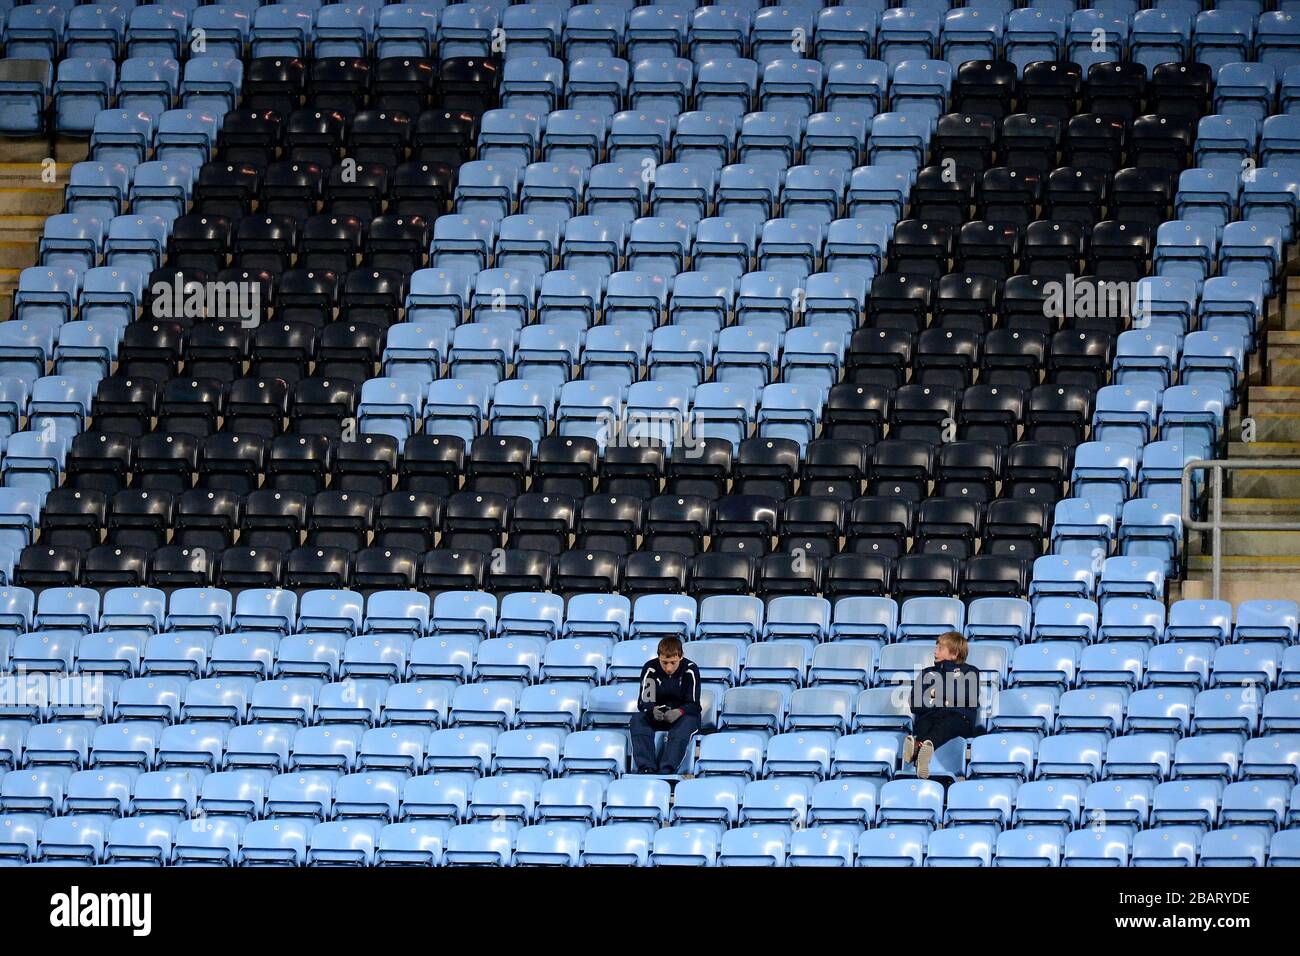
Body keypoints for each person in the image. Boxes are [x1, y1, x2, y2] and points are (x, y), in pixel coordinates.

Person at [903, 630, 981, 780]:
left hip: (959, 719)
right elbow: (914, 703)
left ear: (954, 653)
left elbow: (968, 698)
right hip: (931, 717)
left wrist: (933, 694)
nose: (935, 651)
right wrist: (947, 701)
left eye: (940, 648)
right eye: (935, 647)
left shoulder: (970, 672)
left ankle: (919, 747)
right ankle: (923, 752)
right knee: (925, 721)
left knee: (948, 720)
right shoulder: (926, 672)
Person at [630, 636, 703, 774]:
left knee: (687, 722)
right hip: (658, 716)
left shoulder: (690, 670)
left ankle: (667, 770)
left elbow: (694, 705)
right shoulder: (650, 669)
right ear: (658, 658)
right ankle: (646, 768)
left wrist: (679, 711)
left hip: (682, 717)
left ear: (681, 657)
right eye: (664, 662)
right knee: (638, 719)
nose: (668, 668)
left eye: (673, 663)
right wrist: (652, 710)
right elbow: (645, 701)